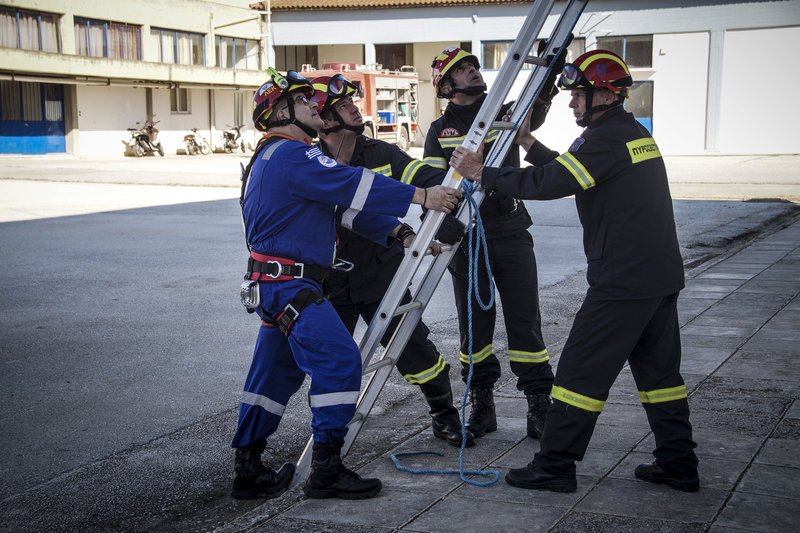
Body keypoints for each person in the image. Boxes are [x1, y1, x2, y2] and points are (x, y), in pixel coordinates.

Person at [450, 50, 699, 493]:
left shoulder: (604, 138)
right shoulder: (629, 133)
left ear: (602, 94)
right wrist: (527, 144)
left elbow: (550, 183)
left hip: (622, 281)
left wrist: (481, 172)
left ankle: (556, 464)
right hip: (658, 276)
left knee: (579, 375)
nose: (570, 104)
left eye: (577, 95)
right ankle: (678, 462)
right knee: (661, 377)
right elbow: (573, 170)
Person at [231, 68, 462, 501]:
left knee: (271, 376)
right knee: (339, 363)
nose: (313, 107)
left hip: (277, 287)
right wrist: (421, 198)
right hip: (292, 287)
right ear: (282, 113)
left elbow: (341, 211)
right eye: (304, 103)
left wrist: (398, 232)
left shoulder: (272, 157)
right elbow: (350, 183)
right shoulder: (293, 155)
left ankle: (247, 468)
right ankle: (327, 470)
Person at [308, 74, 476, 448]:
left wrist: (460, 181)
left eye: (353, 103)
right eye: (345, 106)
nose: (356, 108)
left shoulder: (380, 153)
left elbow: (419, 174)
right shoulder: (311, 160)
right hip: (328, 278)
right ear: (324, 118)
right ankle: (328, 439)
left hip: (381, 271)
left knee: (415, 349)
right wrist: (403, 231)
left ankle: (444, 416)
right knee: (329, 360)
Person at [424, 46, 562, 440]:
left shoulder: (505, 111)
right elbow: (431, 183)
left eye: (472, 66)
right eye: (462, 71)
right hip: (467, 241)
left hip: (511, 231)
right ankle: (482, 406)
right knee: (475, 330)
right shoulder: (439, 132)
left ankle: (539, 405)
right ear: (447, 85)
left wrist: (549, 69)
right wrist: (438, 224)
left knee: (525, 325)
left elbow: (538, 103)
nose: (472, 72)